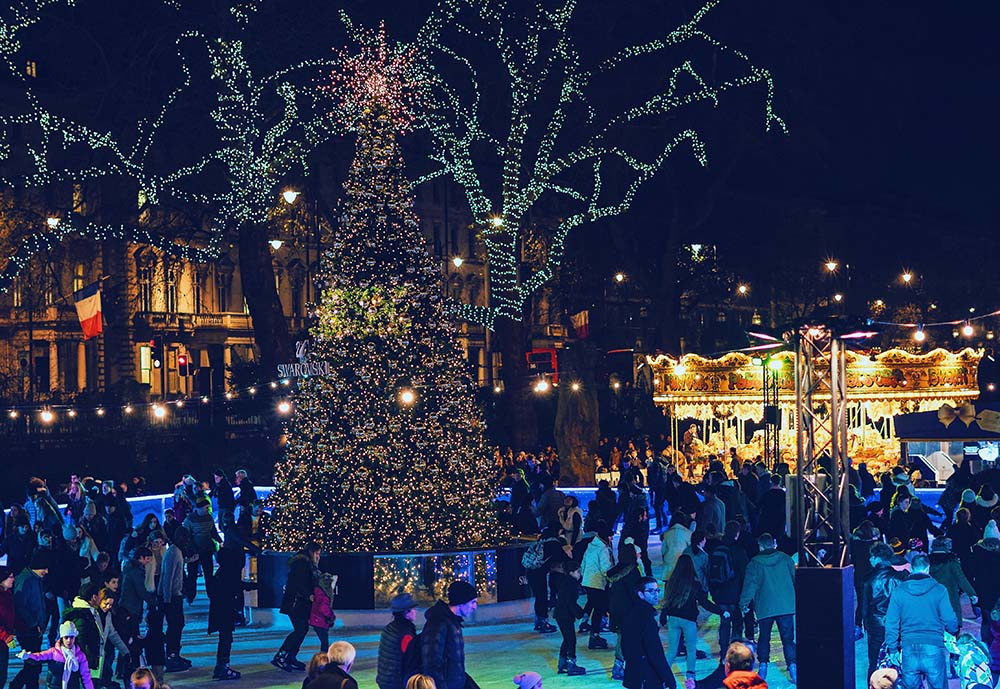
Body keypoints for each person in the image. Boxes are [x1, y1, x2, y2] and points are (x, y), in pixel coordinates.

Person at [884, 552, 959, 689]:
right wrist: (953, 630)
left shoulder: (899, 591)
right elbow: (950, 620)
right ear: (928, 569)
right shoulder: (939, 590)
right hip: (933, 647)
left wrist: (893, 648)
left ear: (911, 569)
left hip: (908, 649)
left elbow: (891, 622)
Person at [661, 554, 727, 685]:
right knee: (691, 650)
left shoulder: (671, 582)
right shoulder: (694, 584)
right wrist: (721, 611)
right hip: (688, 620)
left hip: (673, 619)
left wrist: (664, 615)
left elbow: (667, 601)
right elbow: (705, 603)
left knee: (672, 650)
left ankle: (663, 676)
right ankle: (690, 678)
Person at [739, 533, 796, 683]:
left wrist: (744, 604)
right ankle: (792, 667)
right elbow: (795, 579)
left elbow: (749, 587)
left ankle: (763, 667)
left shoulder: (754, 564)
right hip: (786, 606)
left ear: (760, 546)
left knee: (764, 637)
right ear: (773, 544)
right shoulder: (786, 559)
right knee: (788, 639)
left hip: (765, 607)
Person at [860, 542, 906, 679]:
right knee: (896, 661)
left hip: (876, 624)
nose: (869, 559)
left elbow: (864, 607)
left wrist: (866, 625)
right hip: (895, 624)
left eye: (871, 557)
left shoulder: (868, 579)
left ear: (878, 558)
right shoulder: (899, 578)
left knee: (874, 662)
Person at [273, 542, 321, 672]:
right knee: (300, 629)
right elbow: (299, 582)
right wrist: (309, 595)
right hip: (295, 603)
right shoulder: (302, 564)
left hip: (300, 603)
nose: (318, 557)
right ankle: (281, 656)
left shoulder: (307, 564)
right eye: (317, 554)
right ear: (311, 552)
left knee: (302, 629)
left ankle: (290, 656)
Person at [421, 581, 478, 689]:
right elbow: (431, 664)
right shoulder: (438, 623)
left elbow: (454, 664)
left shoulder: (454, 623)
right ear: (462, 602)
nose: (475, 607)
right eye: (473, 602)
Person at [621, 576, 674, 689]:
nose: (656, 594)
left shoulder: (631, 612)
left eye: (657, 590)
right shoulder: (646, 618)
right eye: (650, 591)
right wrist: (669, 680)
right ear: (640, 594)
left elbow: (624, 645)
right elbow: (655, 652)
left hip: (635, 675)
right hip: (646, 677)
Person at [710, 521, 750, 663]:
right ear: (737, 534)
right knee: (737, 623)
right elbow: (745, 574)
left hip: (720, 593)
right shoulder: (739, 551)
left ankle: (723, 654)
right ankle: (736, 654)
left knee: (724, 622)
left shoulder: (716, 548)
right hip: (735, 593)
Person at [12, 550, 50, 689]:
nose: (46, 571)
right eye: (44, 568)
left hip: (35, 629)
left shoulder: (35, 578)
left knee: (34, 665)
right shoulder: (25, 580)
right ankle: (15, 685)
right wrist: (34, 623)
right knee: (32, 665)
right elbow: (20, 606)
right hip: (27, 630)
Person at [19, 621, 94, 689]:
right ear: (62, 638)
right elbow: (39, 657)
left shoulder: (80, 656)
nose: (69, 640)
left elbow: (86, 676)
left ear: (75, 638)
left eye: (71, 637)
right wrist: (28, 656)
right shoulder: (53, 652)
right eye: (66, 637)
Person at [158, 527, 192, 673]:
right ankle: (171, 656)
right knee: (175, 625)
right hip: (171, 596)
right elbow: (167, 577)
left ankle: (174, 654)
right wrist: (167, 599)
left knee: (178, 624)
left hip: (174, 595)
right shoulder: (173, 552)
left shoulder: (176, 551)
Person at [608, 541, 644, 681]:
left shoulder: (615, 570)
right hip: (629, 611)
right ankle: (619, 666)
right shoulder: (632, 571)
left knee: (622, 638)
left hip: (616, 610)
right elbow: (635, 592)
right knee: (627, 639)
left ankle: (619, 665)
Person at [928, 537, 977, 625]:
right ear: (945, 546)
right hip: (950, 597)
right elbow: (961, 578)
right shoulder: (951, 561)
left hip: (931, 598)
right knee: (952, 624)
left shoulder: (927, 561)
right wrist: (971, 593)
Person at [580, 523, 614, 649]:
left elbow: (583, 563)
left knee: (596, 606)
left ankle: (591, 628)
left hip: (588, 581)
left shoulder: (591, 546)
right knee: (599, 609)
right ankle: (594, 635)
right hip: (597, 582)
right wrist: (612, 576)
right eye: (611, 537)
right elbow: (605, 569)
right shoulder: (603, 549)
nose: (611, 539)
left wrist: (584, 576)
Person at [550, 560, 586, 676]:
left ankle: (563, 664)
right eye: (578, 572)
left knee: (567, 638)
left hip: (561, 614)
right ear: (571, 572)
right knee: (571, 639)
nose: (580, 574)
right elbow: (570, 602)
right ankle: (571, 664)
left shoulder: (566, 581)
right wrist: (580, 613)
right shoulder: (571, 583)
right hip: (564, 614)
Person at [376, 592, 418, 689]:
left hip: (385, 680)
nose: (415, 612)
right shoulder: (405, 634)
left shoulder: (389, 628)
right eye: (413, 609)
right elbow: (410, 661)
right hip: (396, 683)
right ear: (406, 613)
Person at [972, 520, 1000, 647]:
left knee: (986, 621)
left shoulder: (977, 553)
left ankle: (986, 645)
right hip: (998, 593)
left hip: (983, 592)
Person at [309, 573, 337, 653]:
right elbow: (324, 608)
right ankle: (323, 659)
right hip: (320, 620)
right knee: (325, 642)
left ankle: (323, 658)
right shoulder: (324, 594)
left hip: (318, 619)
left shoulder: (319, 592)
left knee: (324, 641)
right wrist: (331, 616)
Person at [0, 566, 15, 689]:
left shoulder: (7, 594)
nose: (13, 579)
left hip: (4, 643)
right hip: (3, 640)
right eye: (10, 577)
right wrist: (5, 636)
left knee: (2, 675)